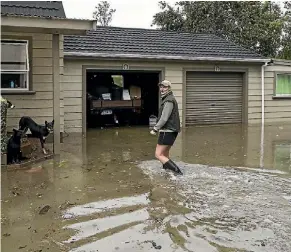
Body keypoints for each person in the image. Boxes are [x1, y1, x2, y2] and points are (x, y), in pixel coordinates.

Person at [150, 80, 183, 175]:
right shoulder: (168, 98)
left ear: (169, 88)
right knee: (164, 154)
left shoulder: (168, 100)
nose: (162, 89)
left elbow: (164, 118)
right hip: (171, 130)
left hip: (167, 130)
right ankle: (167, 172)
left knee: (158, 154)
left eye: (164, 87)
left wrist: (155, 128)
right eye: (161, 87)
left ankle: (178, 173)